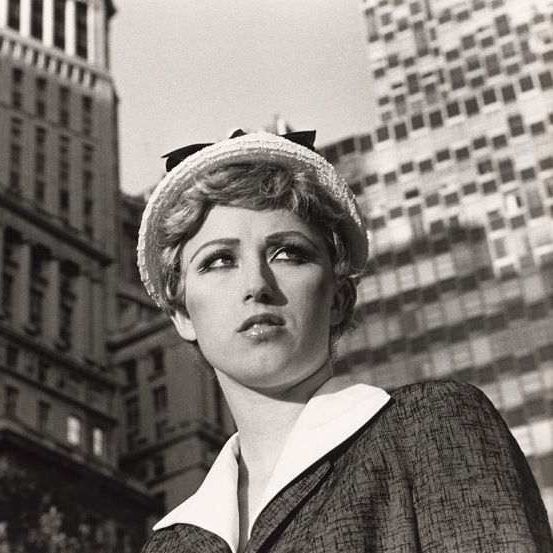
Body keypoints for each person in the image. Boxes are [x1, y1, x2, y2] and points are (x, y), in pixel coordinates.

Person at [136, 130, 552, 552]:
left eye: (287, 253)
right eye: (219, 260)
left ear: (339, 298)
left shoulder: (430, 426)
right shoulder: (172, 543)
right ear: (183, 315)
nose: (256, 285)